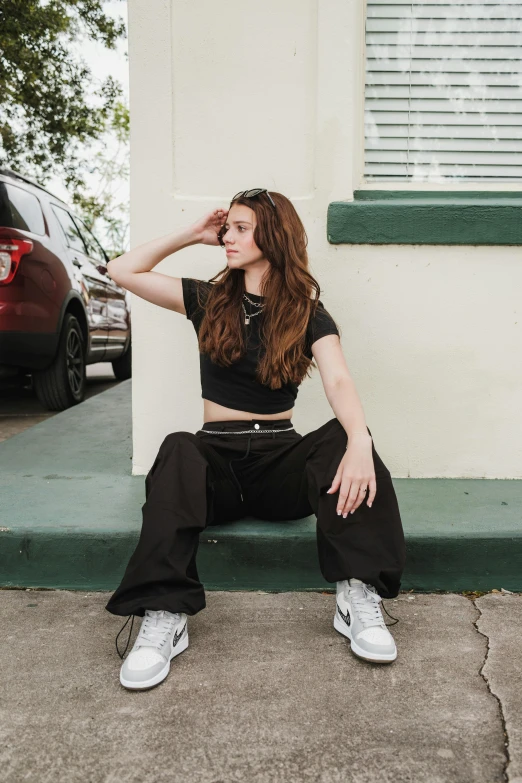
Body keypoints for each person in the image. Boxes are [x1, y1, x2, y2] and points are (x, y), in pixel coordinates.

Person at [104, 188, 406, 691]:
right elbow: (122, 270)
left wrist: (358, 440)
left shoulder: (309, 313)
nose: (228, 236)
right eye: (228, 228)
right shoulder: (206, 298)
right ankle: (163, 615)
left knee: (347, 439)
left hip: (278, 462)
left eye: (242, 228)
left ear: (273, 234)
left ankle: (357, 596)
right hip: (215, 466)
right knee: (179, 446)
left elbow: (338, 380)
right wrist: (191, 234)